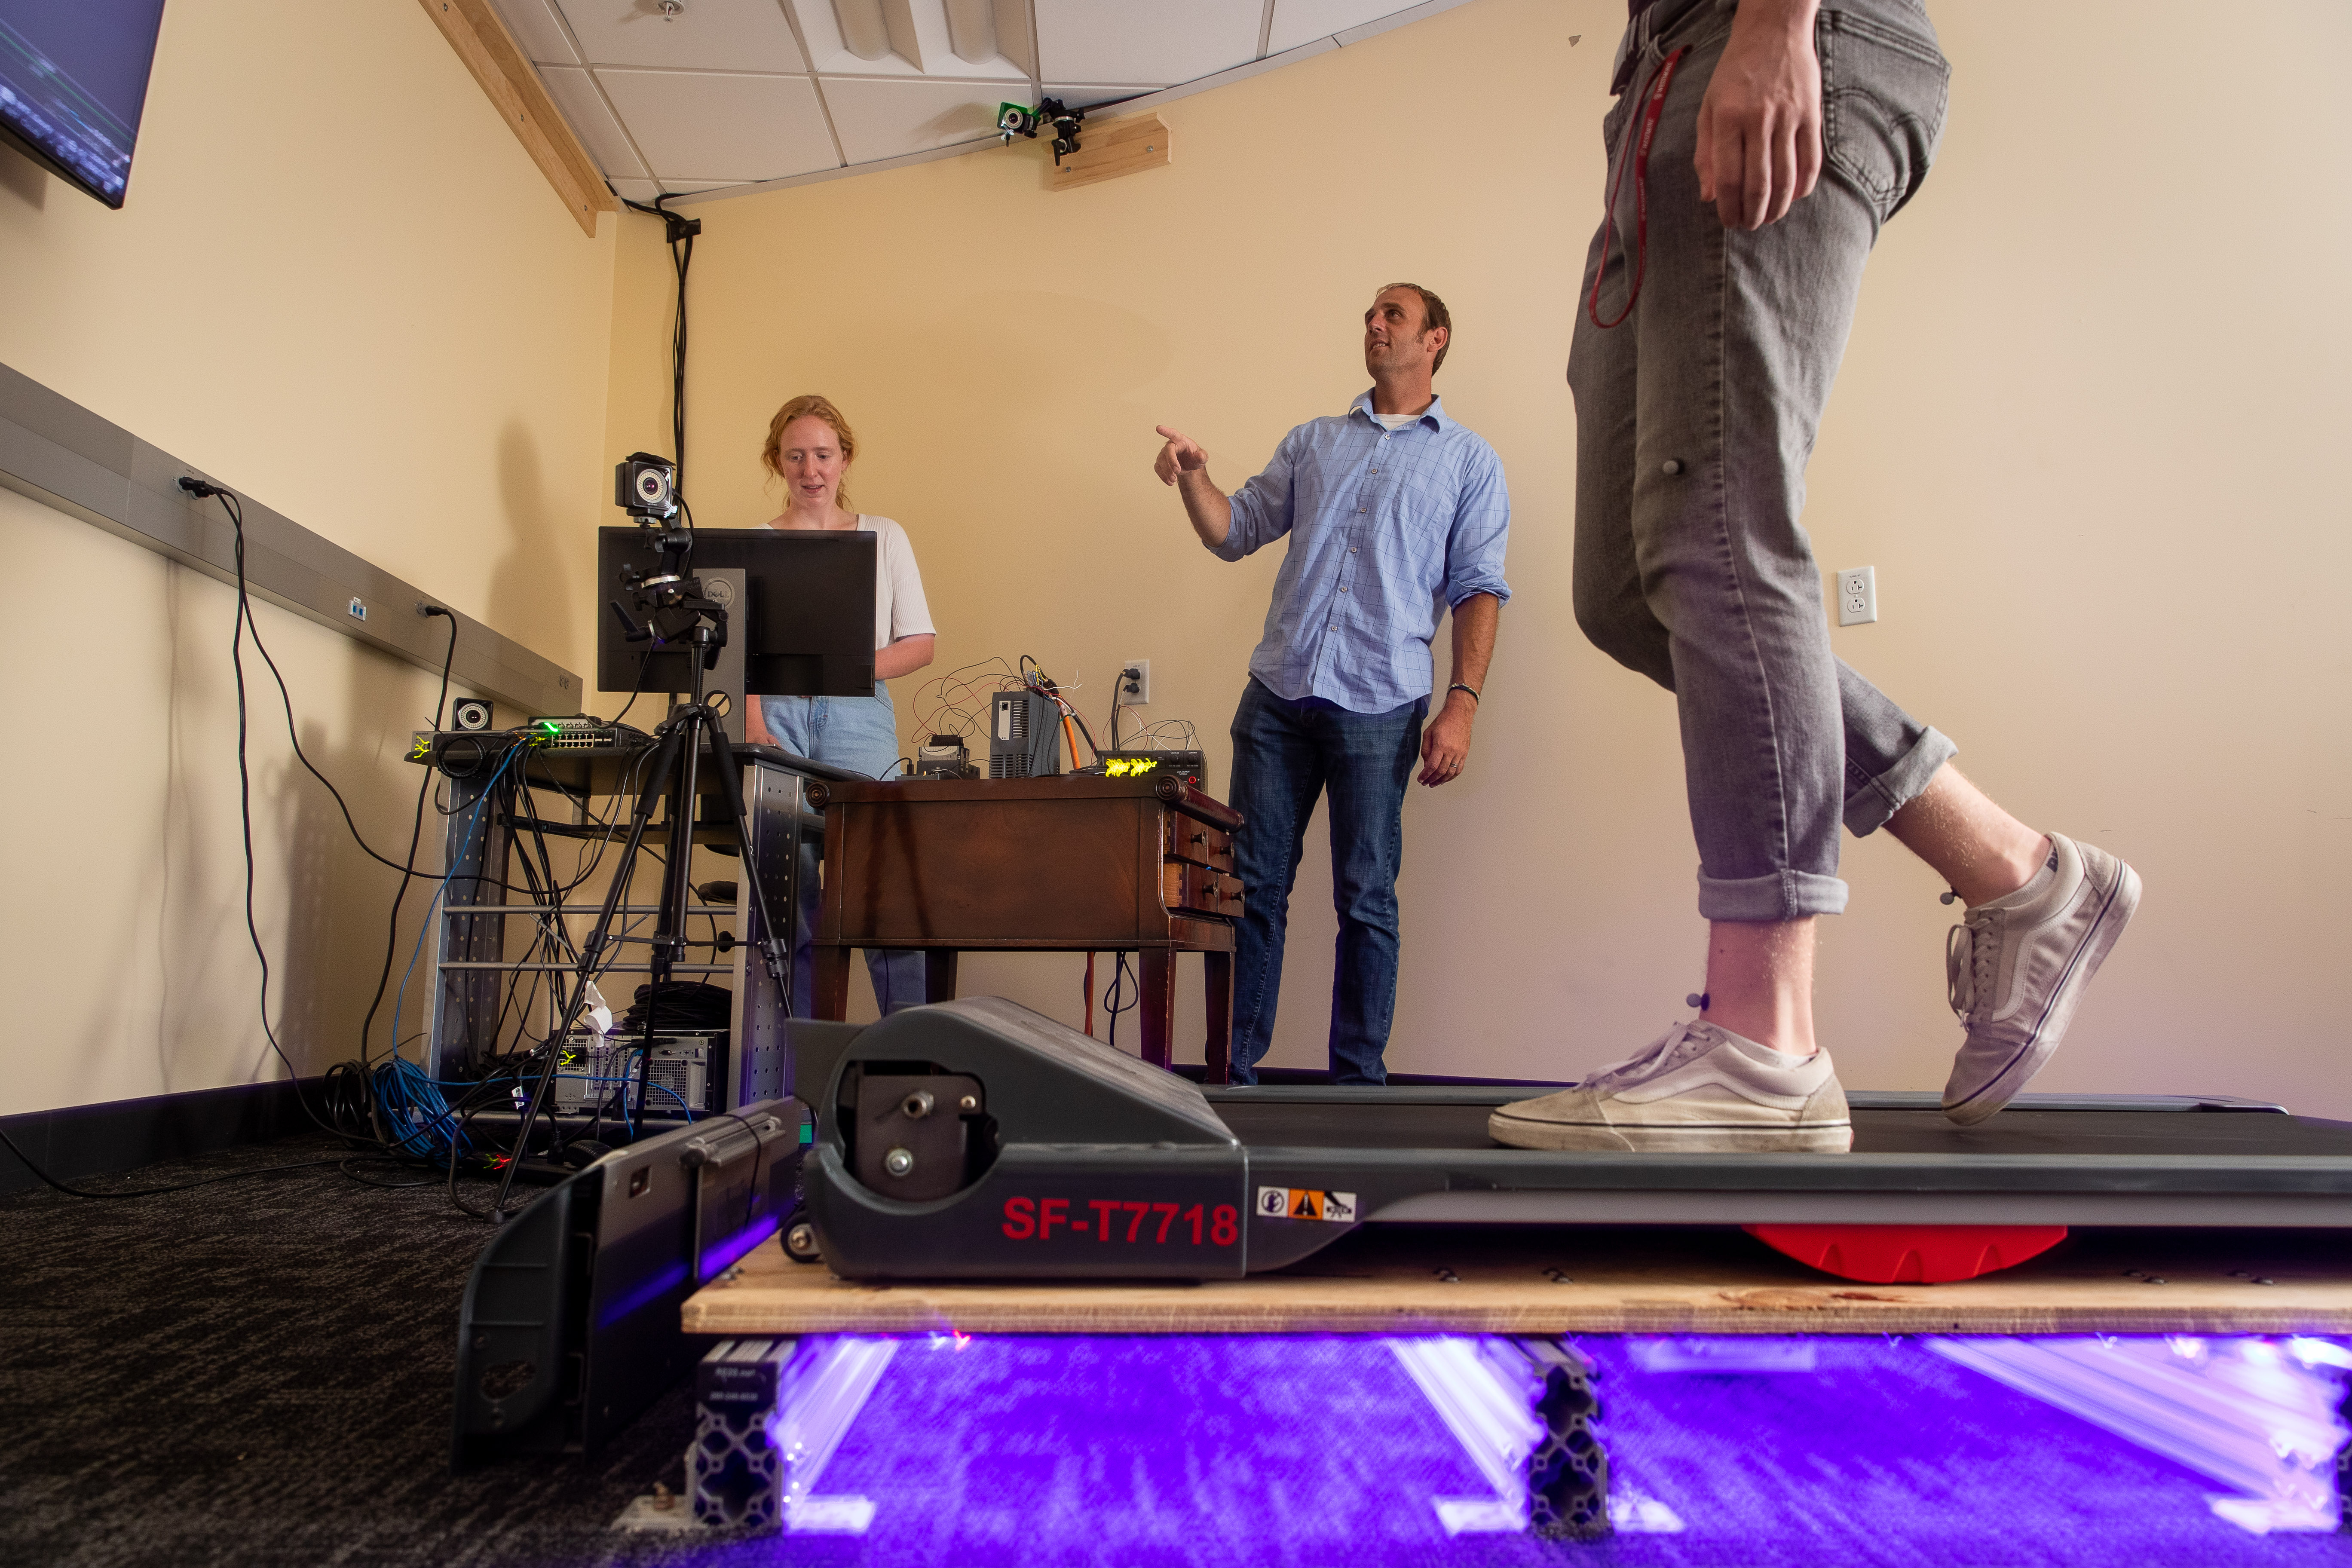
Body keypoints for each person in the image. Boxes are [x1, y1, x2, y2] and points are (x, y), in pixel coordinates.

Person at [1488, 0, 2138, 1153]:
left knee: (1718, 524)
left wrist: (1779, 23)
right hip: (1655, 87)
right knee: (1630, 593)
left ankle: (1763, 1043)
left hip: (1772, 31)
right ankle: (2016, 872)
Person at [1154, 284, 1510, 1085]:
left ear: (1436, 339)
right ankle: (1234, 1078)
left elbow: (1480, 588)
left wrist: (1462, 706)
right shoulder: (1313, 441)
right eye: (1370, 317)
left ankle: (1358, 1090)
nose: (1374, 326)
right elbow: (1234, 531)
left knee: (1367, 899)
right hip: (1278, 698)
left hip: (1382, 704)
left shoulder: (1467, 461)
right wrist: (1192, 476)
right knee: (1253, 893)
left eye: (1393, 315)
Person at [743, 394, 936, 1016]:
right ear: (777, 461)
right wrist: (754, 725)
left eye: (823, 455)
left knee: (882, 895)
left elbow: (920, 645)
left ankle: (905, 1058)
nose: (811, 470)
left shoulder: (885, 535)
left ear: (845, 459)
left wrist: (845, 668)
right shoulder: (755, 543)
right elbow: (741, 651)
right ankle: (789, 1070)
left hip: (859, 715)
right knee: (787, 899)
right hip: (777, 718)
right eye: (796, 456)